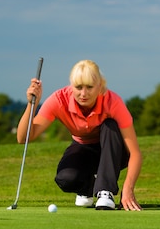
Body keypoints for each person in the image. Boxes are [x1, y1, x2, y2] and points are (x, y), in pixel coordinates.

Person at [17, 59, 143, 211]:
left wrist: (128, 190)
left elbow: (135, 153)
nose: (83, 94)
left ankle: (105, 192)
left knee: (110, 125)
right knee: (66, 178)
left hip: (115, 151)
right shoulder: (59, 99)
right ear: (71, 86)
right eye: (78, 87)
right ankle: (88, 188)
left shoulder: (113, 102)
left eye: (90, 87)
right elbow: (23, 138)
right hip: (83, 148)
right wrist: (32, 104)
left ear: (100, 86)